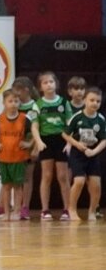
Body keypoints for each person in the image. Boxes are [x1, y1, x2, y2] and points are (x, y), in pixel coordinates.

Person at [0, 76, 39, 220]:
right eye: (10, 101)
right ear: (4, 103)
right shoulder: (1, 118)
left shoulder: (29, 113)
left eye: (16, 100)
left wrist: (32, 145)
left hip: (21, 155)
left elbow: (36, 129)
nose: (13, 103)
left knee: (22, 182)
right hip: (5, 156)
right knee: (6, 185)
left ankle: (20, 209)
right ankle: (4, 210)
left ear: (24, 92)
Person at [31, 71, 72, 220]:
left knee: (63, 176)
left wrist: (69, 143)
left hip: (61, 140)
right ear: (40, 87)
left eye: (51, 82)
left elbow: (69, 125)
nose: (49, 85)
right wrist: (39, 142)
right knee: (46, 175)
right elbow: (34, 126)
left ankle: (67, 209)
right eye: (45, 82)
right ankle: (45, 210)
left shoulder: (63, 102)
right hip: (46, 141)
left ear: (56, 84)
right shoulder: (38, 105)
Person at [63, 87, 106, 221]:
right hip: (78, 153)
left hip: (93, 154)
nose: (95, 103)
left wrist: (94, 151)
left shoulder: (100, 119)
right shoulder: (77, 117)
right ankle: (72, 209)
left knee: (96, 184)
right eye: (92, 100)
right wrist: (77, 145)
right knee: (79, 181)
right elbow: (65, 134)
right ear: (85, 101)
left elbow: (104, 140)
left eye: (98, 101)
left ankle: (92, 211)